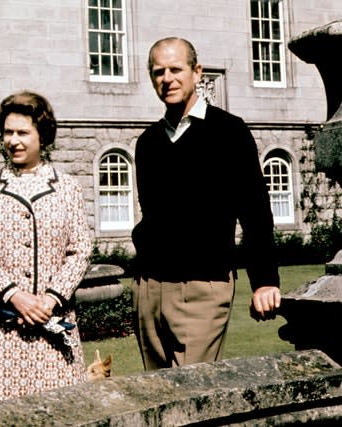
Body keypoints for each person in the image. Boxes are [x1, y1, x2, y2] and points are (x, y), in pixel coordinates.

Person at [131, 37, 281, 371]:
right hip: (149, 289)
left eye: (175, 69)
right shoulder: (148, 143)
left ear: (197, 72)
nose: (167, 78)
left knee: (190, 395)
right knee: (154, 398)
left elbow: (256, 212)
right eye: (158, 72)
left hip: (202, 285)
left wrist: (265, 280)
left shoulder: (229, 132)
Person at [0, 91, 92, 409]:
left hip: (53, 326)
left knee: (61, 413)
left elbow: (80, 250)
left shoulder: (68, 188)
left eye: (23, 132)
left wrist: (49, 300)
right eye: (8, 132)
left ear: (42, 135)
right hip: (0, 329)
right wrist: (15, 297)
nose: (14, 141)